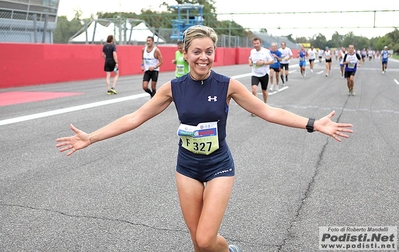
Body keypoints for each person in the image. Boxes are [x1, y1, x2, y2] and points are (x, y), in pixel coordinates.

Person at [56, 25, 353, 252]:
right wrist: (91, 138)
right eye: (197, 51)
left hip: (219, 166)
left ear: (214, 53)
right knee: (199, 246)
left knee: (206, 238)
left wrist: (313, 124)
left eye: (209, 51)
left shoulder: (228, 85)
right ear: (185, 54)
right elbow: (135, 118)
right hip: (186, 167)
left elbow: (267, 111)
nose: (203, 57)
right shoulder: (173, 88)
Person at [248, 37, 274, 116]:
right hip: (255, 74)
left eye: (257, 43)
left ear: (260, 43)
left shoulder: (266, 51)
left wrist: (263, 63)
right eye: (254, 44)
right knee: (254, 89)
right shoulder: (252, 51)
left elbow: (272, 61)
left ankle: (265, 105)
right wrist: (250, 62)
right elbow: (250, 58)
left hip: (264, 74)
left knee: (264, 91)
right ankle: (255, 108)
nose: (256, 45)